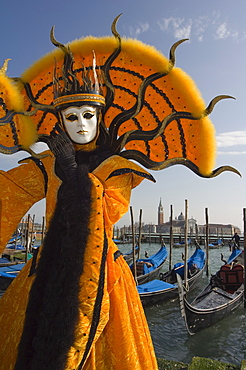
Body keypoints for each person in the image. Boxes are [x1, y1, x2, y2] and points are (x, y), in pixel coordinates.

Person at [0, 16, 239, 370]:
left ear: (100, 116)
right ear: (59, 121)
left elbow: (104, 209)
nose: (81, 125)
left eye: (87, 115)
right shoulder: (48, 162)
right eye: (71, 117)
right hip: (42, 272)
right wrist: (60, 165)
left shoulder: (116, 167)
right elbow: (9, 192)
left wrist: (71, 172)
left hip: (104, 281)